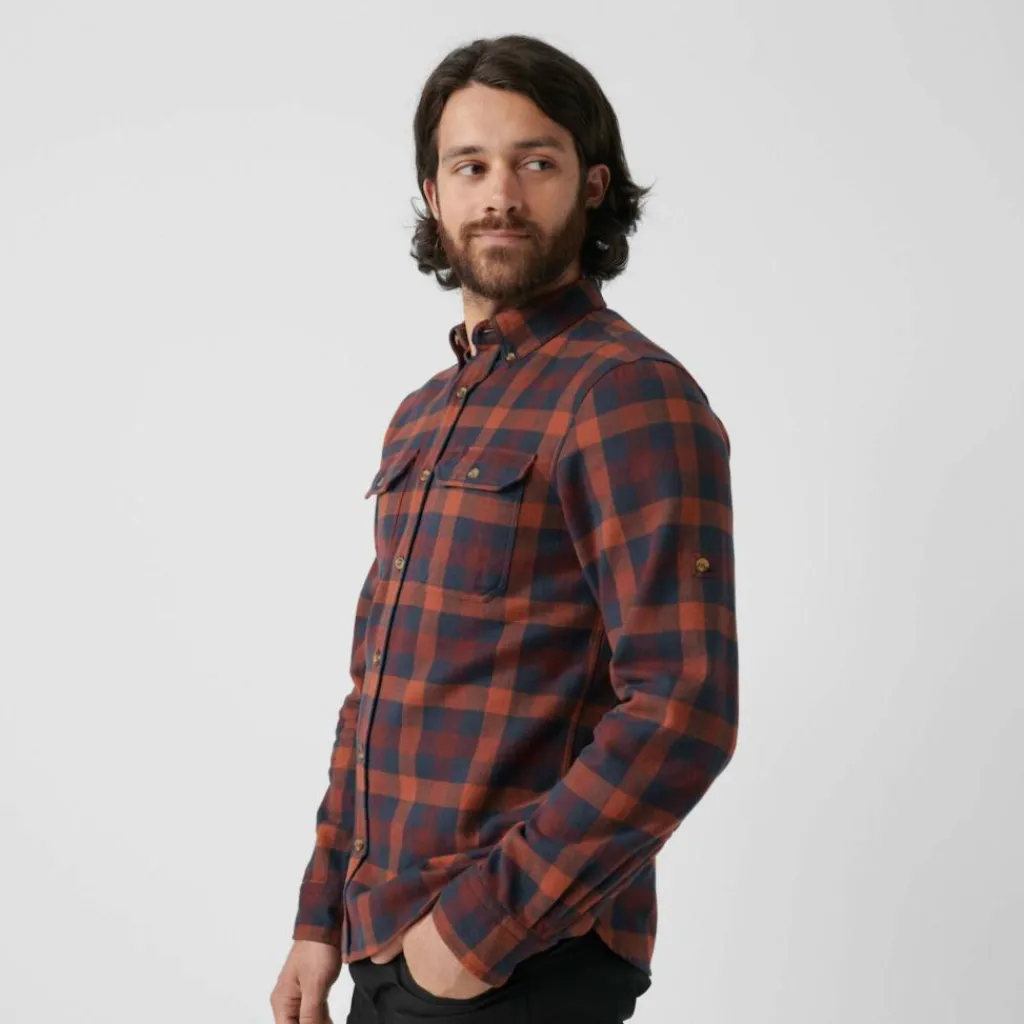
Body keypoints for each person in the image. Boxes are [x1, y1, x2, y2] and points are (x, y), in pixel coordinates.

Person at [270, 32, 738, 1024]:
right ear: (433, 194)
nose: (501, 196)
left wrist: (475, 935)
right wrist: (319, 916)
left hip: (516, 965)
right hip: (385, 947)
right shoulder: (422, 416)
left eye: (536, 162)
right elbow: (375, 689)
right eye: (470, 166)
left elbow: (684, 706)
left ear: (593, 186)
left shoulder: (628, 394)